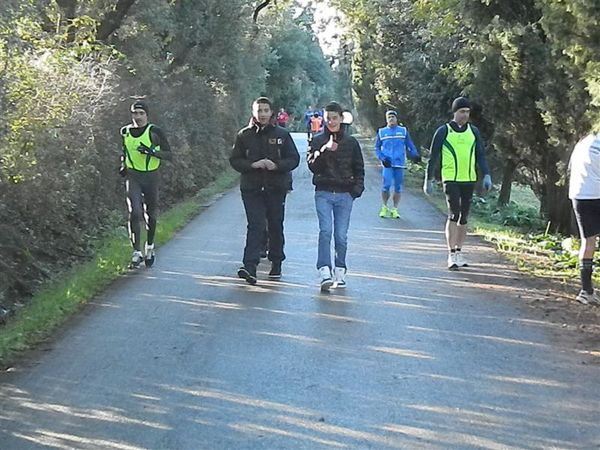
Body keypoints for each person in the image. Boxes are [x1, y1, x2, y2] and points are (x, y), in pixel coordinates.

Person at [229, 97, 300, 285]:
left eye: (265, 110)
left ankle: (276, 262)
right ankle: (249, 266)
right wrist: (253, 164)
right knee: (256, 225)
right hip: (251, 188)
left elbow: (293, 159)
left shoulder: (282, 134)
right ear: (253, 112)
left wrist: (275, 165)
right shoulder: (244, 135)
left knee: (275, 225)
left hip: (276, 187)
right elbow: (235, 160)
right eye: (259, 110)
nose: (262, 114)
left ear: (271, 113)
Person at [423, 96, 492, 270]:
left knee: (464, 216)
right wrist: (428, 179)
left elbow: (481, 155)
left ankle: (459, 251)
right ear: (455, 112)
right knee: (454, 214)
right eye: (462, 111)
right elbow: (433, 157)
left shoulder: (473, 131)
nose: (465, 115)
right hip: (451, 179)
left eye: (468, 112)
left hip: (468, 179)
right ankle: (451, 254)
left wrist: (487, 175)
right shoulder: (444, 131)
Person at [307, 101, 365, 291]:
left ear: (341, 119)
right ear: (323, 120)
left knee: (341, 235)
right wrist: (324, 151)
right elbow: (312, 166)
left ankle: (340, 268)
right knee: (325, 231)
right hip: (323, 192)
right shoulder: (317, 140)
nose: (331, 122)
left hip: (344, 194)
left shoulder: (351, 142)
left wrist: (356, 190)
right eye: (328, 119)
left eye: (334, 118)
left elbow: (359, 168)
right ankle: (324, 269)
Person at [119, 100, 172, 268]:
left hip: (151, 176)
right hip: (133, 176)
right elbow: (125, 150)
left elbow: (169, 154)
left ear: (147, 115)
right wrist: (123, 165)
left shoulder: (155, 131)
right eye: (135, 113)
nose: (138, 117)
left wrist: (153, 152)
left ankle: (150, 246)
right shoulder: (125, 131)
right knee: (134, 212)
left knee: (152, 214)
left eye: (141, 113)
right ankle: (136, 252)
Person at [568, 131, 600, 305]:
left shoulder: (583, 142)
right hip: (596, 195)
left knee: (587, 242)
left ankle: (586, 290)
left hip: (579, 195)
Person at [375, 110, 421, 218]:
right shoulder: (382, 132)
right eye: (389, 117)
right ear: (386, 119)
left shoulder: (403, 131)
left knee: (398, 187)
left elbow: (410, 144)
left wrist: (415, 155)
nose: (391, 119)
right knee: (386, 186)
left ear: (396, 118)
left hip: (399, 163)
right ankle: (384, 207)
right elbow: (377, 147)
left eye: (393, 117)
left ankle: (395, 209)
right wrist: (382, 158)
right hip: (388, 164)